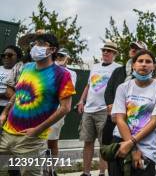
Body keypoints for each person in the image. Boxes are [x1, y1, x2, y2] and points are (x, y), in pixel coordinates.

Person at [0, 32, 75, 176]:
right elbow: (18, 93)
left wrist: (37, 130)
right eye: (34, 44)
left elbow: (65, 108)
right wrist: (4, 114)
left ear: (52, 50)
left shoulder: (62, 74)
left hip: (31, 140)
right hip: (7, 133)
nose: (35, 47)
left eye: (40, 44)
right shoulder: (26, 67)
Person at [109, 49, 156, 176]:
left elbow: (154, 121)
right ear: (134, 65)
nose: (144, 64)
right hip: (120, 142)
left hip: (146, 147)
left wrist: (132, 144)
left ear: (153, 66)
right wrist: (133, 148)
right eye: (140, 61)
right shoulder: (123, 87)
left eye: (148, 61)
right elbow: (120, 119)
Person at [77, 41, 120, 176]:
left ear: (114, 54)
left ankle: (102, 172)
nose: (105, 52)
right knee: (87, 142)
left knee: (104, 144)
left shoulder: (118, 68)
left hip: (105, 110)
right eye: (104, 50)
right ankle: (86, 172)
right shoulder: (94, 67)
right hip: (89, 110)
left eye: (109, 51)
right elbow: (88, 85)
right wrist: (81, 100)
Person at [102, 40, 147, 145]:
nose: (133, 50)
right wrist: (109, 104)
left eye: (137, 48)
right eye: (132, 48)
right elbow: (109, 90)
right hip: (114, 114)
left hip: (134, 116)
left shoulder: (146, 73)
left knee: (129, 145)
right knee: (107, 146)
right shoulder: (118, 71)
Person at [47, 48, 78, 158]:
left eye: (62, 56)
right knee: (38, 143)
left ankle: (51, 170)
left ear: (67, 59)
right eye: (58, 56)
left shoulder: (71, 73)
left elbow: (66, 90)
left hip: (57, 112)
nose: (59, 58)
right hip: (41, 110)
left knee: (52, 142)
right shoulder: (47, 69)